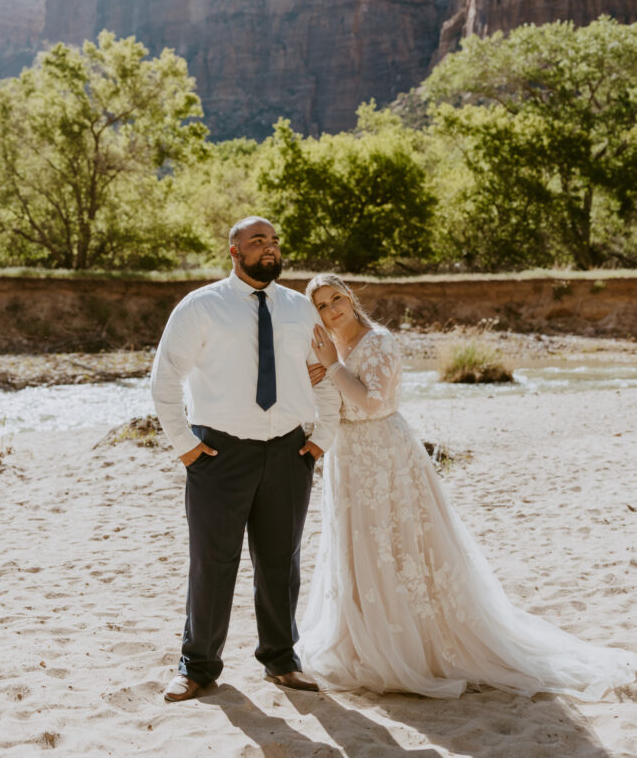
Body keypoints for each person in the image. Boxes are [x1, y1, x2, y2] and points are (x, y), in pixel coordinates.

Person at [298, 273, 637, 699]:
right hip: (346, 459)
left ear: (350, 297)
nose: (331, 311)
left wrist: (331, 366)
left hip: (385, 456)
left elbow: (372, 402)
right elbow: (326, 401)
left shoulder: (377, 341)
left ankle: (415, 644)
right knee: (357, 545)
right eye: (322, 306)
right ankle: (363, 638)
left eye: (336, 300)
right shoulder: (326, 345)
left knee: (400, 542)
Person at [151, 217, 340, 701]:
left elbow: (323, 373)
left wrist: (322, 438)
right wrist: (186, 447)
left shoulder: (300, 309)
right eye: (258, 241)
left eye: (275, 241)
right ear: (234, 250)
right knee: (212, 563)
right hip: (219, 454)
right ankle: (197, 666)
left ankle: (281, 661)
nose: (270, 248)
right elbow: (165, 377)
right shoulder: (201, 306)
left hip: (288, 452)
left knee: (281, 562)